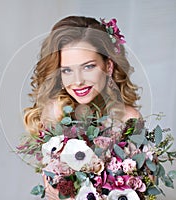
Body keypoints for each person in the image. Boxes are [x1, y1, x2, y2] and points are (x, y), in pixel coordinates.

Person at [24, 16, 141, 200]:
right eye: (67, 70)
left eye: (88, 67)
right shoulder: (57, 112)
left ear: (108, 66)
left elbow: (142, 185)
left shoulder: (129, 118)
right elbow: (53, 189)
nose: (78, 81)